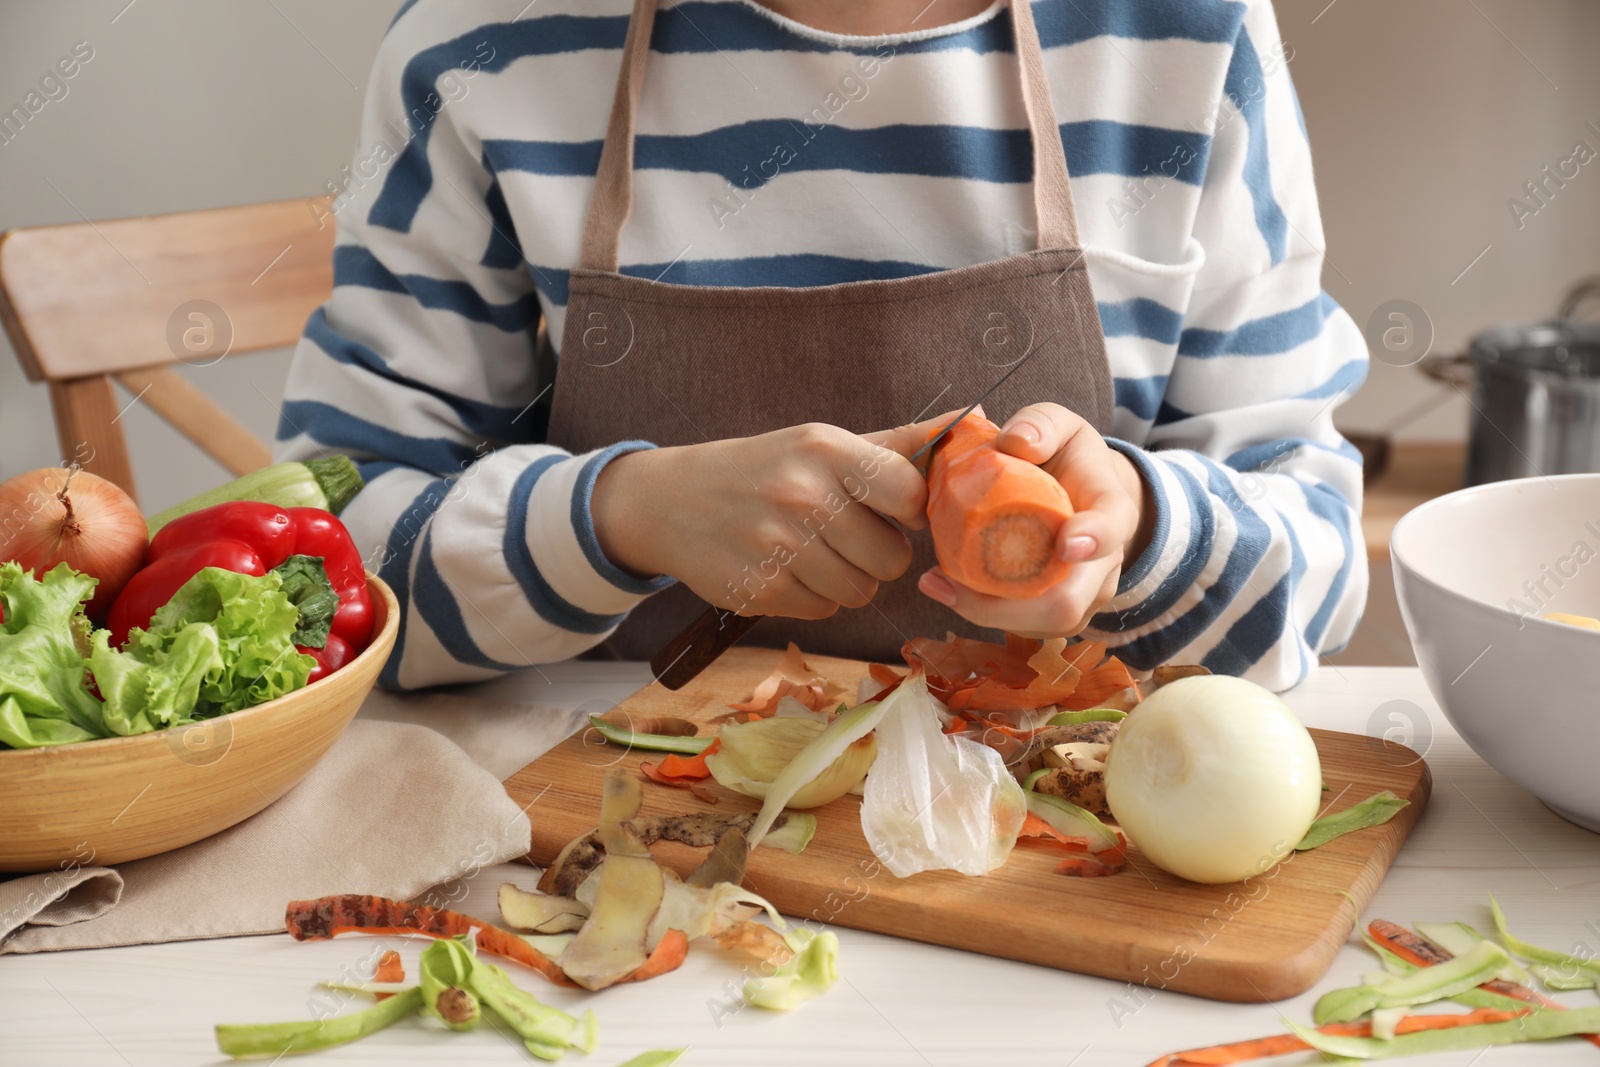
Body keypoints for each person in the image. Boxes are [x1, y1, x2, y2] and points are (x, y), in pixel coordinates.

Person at [276, 0, 1368, 693]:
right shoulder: (482, 43)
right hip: (617, 817)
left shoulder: (1190, 32)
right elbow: (316, 577)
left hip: (1066, 836)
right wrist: (624, 514)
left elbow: (1316, 570)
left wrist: (1136, 533)